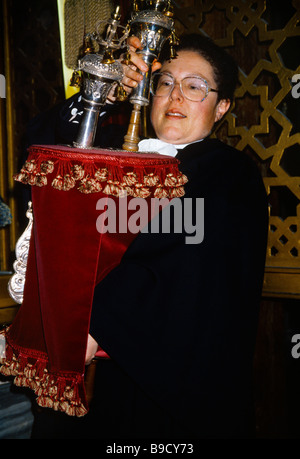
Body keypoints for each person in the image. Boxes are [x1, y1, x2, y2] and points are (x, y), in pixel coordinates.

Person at [29, 33, 268, 439]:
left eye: (195, 87)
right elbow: (42, 154)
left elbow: (184, 261)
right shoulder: (120, 157)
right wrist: (100, 94)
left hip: (177, 387)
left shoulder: (229, 174)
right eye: (164, 83)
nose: (175, 96)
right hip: (107, 382)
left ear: (221, 106)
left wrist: (94, 323)